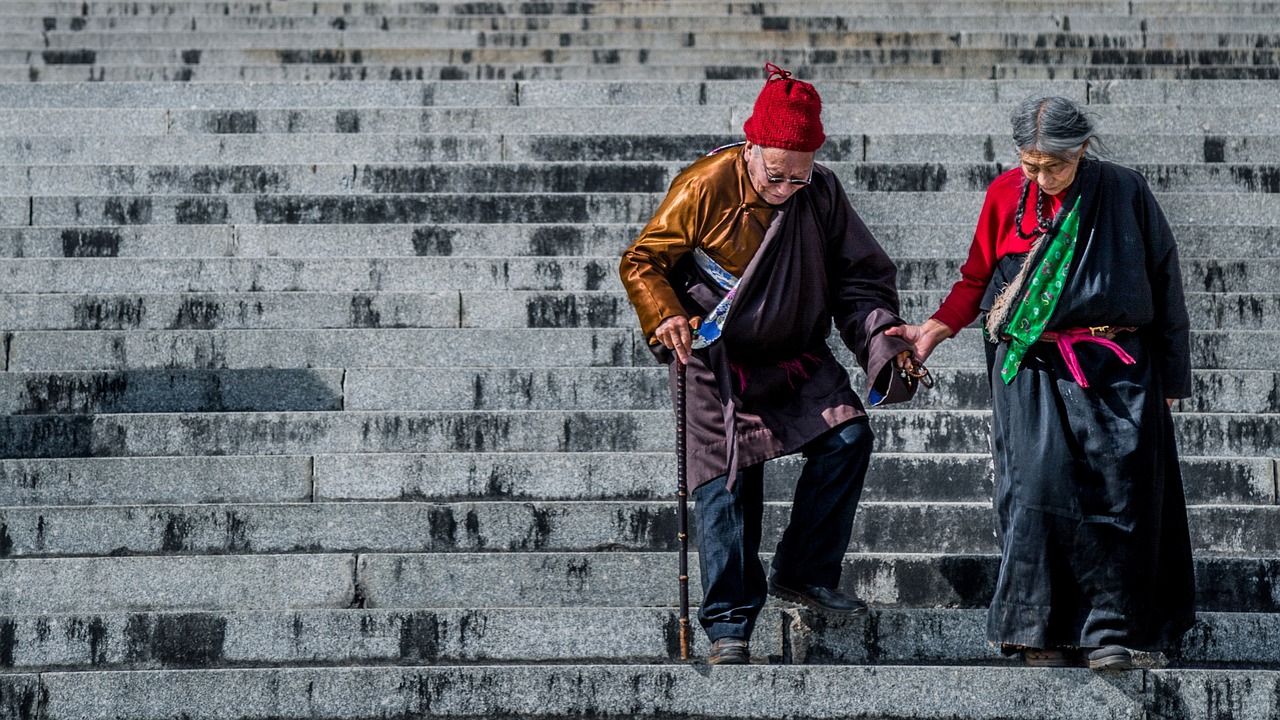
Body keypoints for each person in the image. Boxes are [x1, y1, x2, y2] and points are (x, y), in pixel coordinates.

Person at [618, 63, 920, 665]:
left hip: (795, 356)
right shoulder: (703, 185)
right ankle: (729, 623)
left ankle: (804, 570)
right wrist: (665, 313)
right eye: (775, 177)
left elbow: (859, 280)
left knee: (849, 437)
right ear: (751, 148)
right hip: (714, 356)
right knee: (728, 483)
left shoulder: (822, 191)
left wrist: (882, 338)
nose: (785, 190)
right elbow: (642, 261)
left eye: (797, 179)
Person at [887, 95, 1195, 671]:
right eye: (1032, 165)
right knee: (1035, 488)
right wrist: (934, 330)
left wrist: (1174, 373)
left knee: (1119, 492)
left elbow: (1165, 278)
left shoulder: (1124, 192)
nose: (1043, 176)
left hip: (1117, 366)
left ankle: (1111, 632)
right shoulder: (1006, 194)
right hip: (1030, 362)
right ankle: (1038, 629)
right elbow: (977, 277)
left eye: (1055, 165)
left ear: (1081, 149)